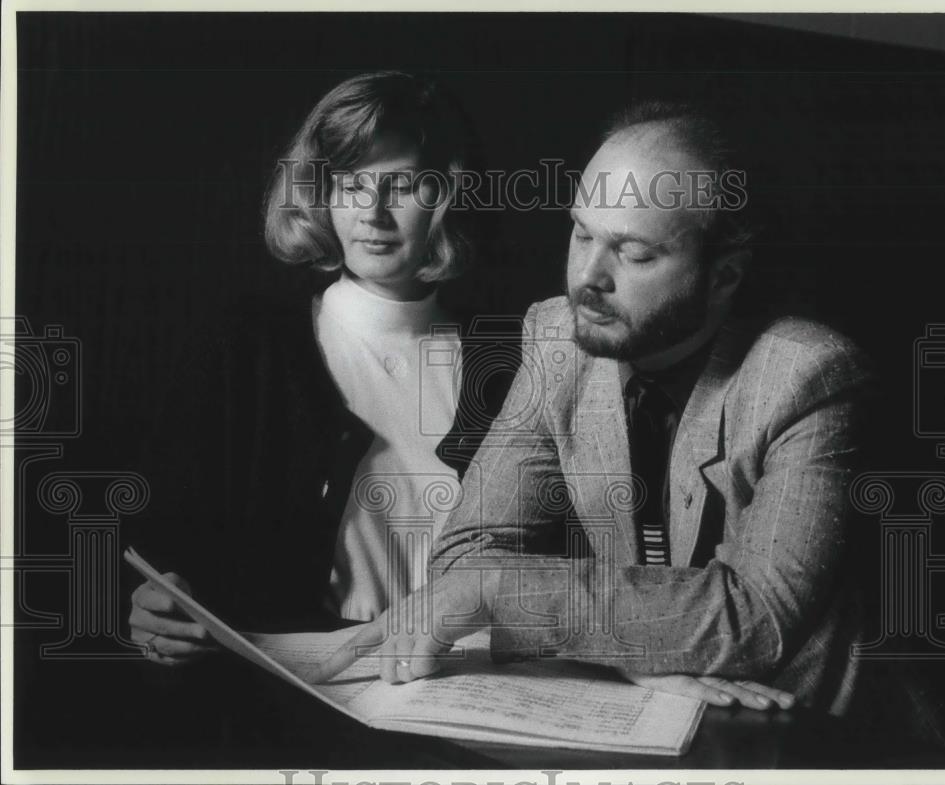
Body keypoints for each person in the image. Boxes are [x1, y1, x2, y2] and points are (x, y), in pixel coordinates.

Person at [311, 100, 875, 716]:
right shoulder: (557, 338)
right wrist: (633, 650)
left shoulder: (810, 374)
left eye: (634, 255)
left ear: (724, 275)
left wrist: (505, 591)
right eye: (581, 233)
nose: (588, 278)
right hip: (651, 724)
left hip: (816, 738)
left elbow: (756, 616)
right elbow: (465, 553)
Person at [127, 71, 519, 662]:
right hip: (292, 692)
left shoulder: (511, 357)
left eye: (403, 185)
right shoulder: (245, 348)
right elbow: (166, 548)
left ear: (449, 197)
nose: (373, 212)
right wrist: (150, 608)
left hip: (475, 684)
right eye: (351, 184)